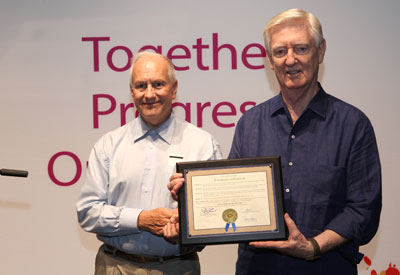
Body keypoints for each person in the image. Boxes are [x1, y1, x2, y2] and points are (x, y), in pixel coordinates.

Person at [169, 8, 382, 275]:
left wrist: (312, 246)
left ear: (321, 51)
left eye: (301, 49)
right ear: (269, 60)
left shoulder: (353, 125)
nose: (290, 60)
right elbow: (232, 197)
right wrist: (191, 197)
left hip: (324, 267)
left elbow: (363, 210)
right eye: (280, 52)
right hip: (257, 268)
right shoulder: (250, 123)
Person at [76, 51, 222, 275]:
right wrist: (141, 219)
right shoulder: (108, 145)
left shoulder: (202, 145)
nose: (149, 94)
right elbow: (87, 213)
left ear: (174, 89)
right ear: (131, 91)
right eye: (141, 86)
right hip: (114, 266)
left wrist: (186, 228)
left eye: (158, 84)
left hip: (178, 267)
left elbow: (217, 215)